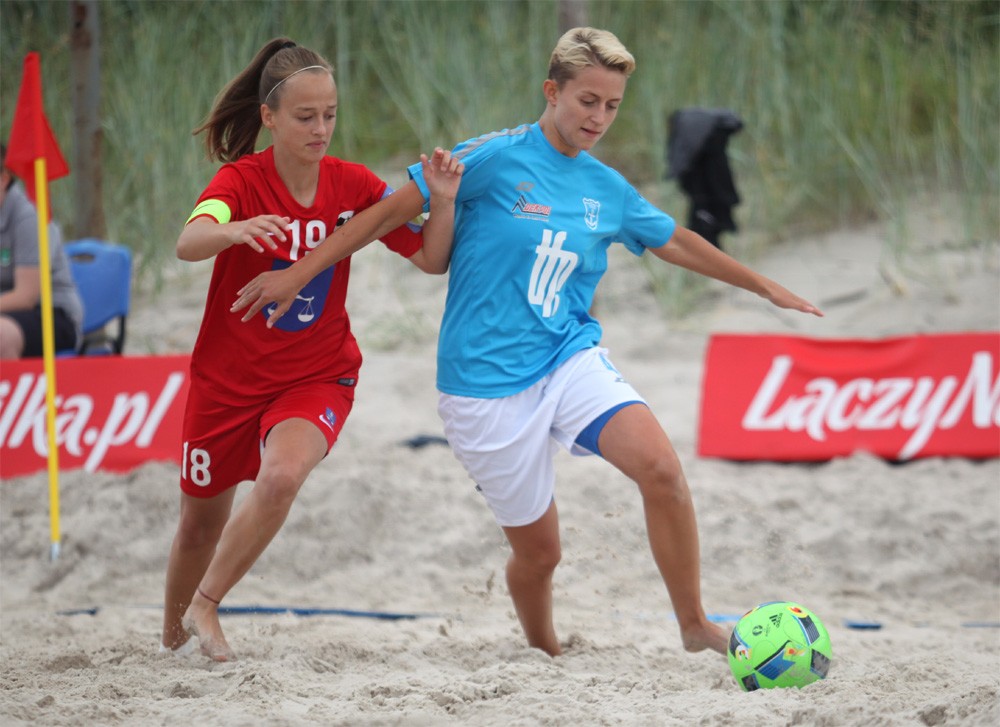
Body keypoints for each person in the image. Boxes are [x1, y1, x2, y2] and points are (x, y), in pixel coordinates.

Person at [232, 28, 823, 659]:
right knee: (540, 555)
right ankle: (546, 650)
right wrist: (299, 272)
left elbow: (673, 240)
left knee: (662, 470)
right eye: (587, 101)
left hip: (568, 356)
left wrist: (761, 285)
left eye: (612, 105)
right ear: (553, 92)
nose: (599, 117)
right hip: (482, 389)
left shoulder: (606, 188)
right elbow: (382, 214)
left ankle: (694, 623)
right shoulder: (491, 158)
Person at [160, 37, 463, 662]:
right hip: (226, 381)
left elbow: (433, 259)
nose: (321, 128)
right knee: (198, 524)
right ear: (269, 117)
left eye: (330, 115)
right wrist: (233, 230)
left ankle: (207, 605)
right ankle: (170, 643)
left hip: (316, 375)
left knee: (282, 476)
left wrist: (444, 200)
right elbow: (188, 244)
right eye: (305, 116)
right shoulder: (240, 180)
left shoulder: (352, 184)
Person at [0, 142, 84, 358]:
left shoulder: (29, 215)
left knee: (2, 336)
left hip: (51, 314)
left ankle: (11, 392)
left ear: (4, 178)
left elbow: (25, 297)